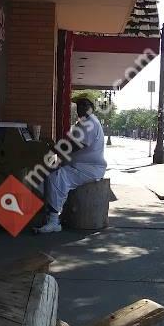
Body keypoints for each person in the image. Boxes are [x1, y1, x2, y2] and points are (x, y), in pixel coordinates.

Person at [35, 96, 107, 233]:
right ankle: (49, 213)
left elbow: (75, 145)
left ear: (91, 108)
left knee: (57, 177)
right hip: (80, 166)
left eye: (85, 105)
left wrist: (56, 153)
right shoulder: (83, 123)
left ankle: (54, 222)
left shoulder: (90, 123)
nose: (80, 108)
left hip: (89, 169)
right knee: (44, 176)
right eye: (78, 105)